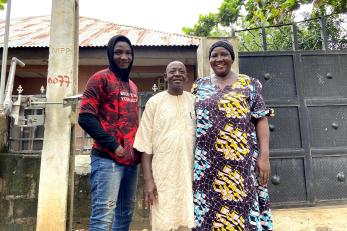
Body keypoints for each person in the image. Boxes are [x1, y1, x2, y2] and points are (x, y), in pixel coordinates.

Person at [191, 40, 274, 230]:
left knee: (242, 206)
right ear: (209, 60)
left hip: (241, 161)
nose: (219, 59)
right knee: (209, 209)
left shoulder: (249, 84)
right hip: (206, 163)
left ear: (232, 58)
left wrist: (264, 156)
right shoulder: (199, 86)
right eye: (214, 55)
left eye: (224, 54)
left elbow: (261, 119)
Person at [78, 35, 140, 230]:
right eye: (118, 52)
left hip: (130, 163)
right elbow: (85, 117)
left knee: (124, 217)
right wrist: (114, 146)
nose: (124, 57)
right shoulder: (100, 78)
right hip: (107, 160)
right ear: (110, 54)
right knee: (103, 219)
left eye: (128, 53)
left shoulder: (133, 86)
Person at [133, 61, 196, 231]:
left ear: (186, 77)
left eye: (181, 71)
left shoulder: (194, 101)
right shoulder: (155, 102)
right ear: (165, 76)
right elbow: (145, 144)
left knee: (188, 220)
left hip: (189, 174)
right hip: (163, 176)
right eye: (172, 71)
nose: (177, 74)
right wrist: (148, 180)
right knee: (163, 221)